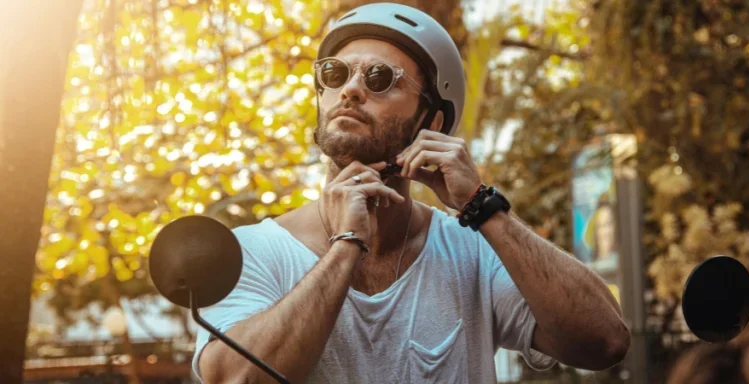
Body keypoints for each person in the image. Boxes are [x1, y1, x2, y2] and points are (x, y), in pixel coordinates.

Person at [193, 3, 630, 383]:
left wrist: (484, 207)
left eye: (380, 78)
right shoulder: (251, 250)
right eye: (335, 73)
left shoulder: (472, 250)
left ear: (432, 122)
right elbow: (237, 379)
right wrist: (347, 245)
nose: (350, 88)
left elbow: (604, 342)